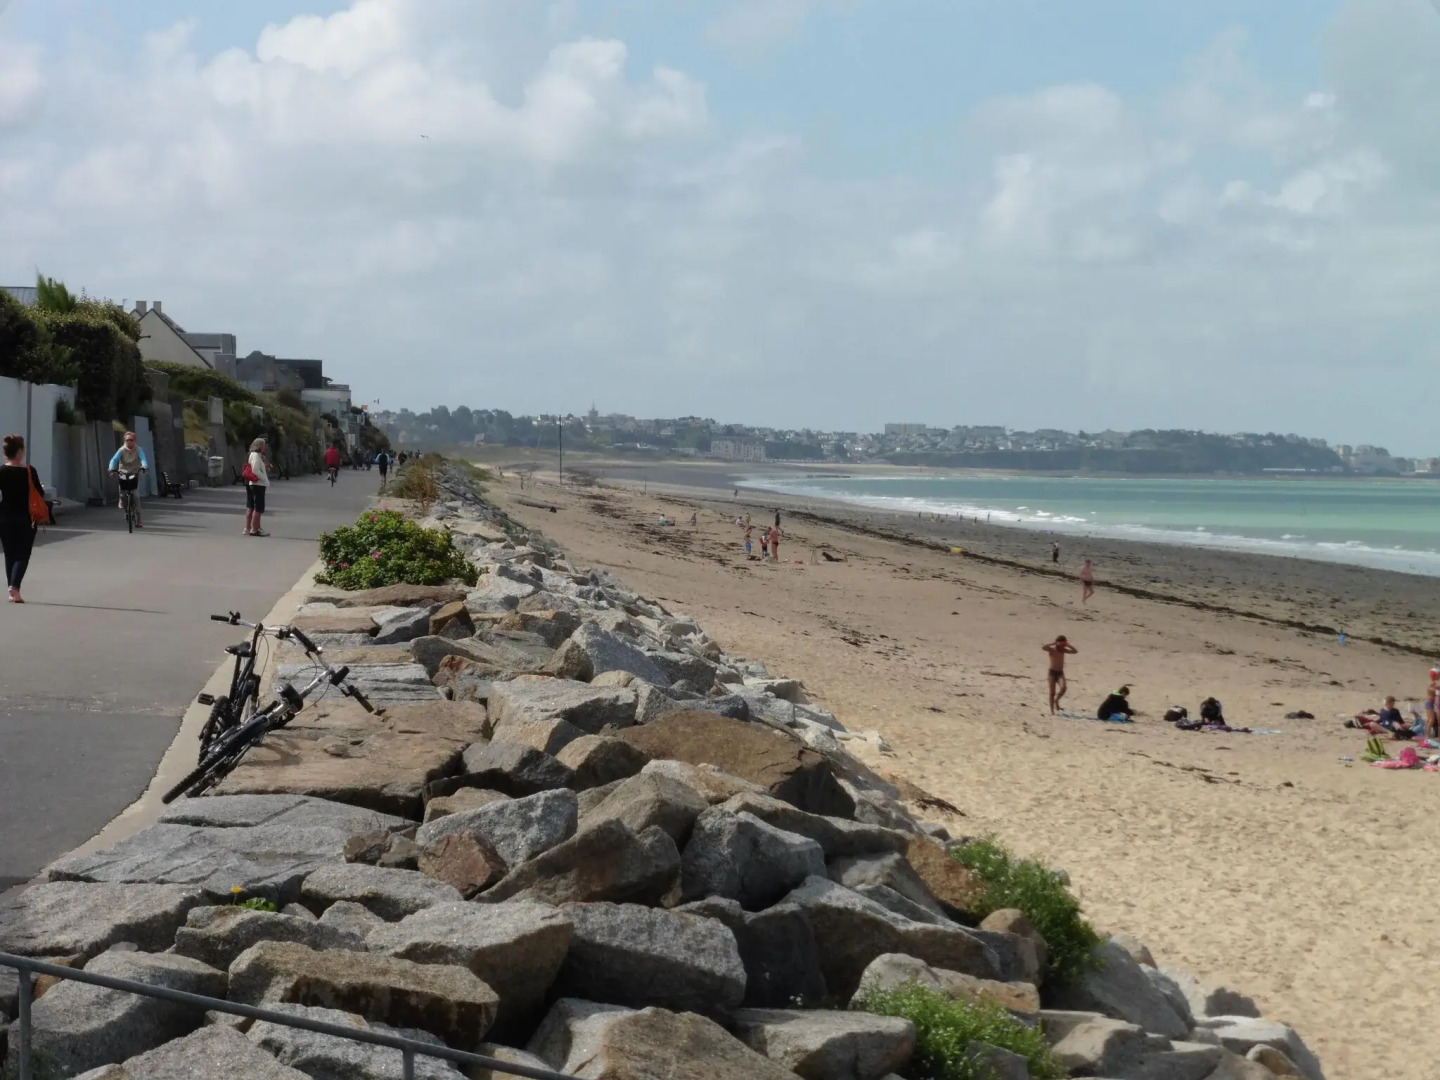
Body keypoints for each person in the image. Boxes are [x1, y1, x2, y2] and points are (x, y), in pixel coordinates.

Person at [0, 434, 43, 603]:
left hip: (4, 517)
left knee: (9, 554)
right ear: (19, 452)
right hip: (26, 517)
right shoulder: (29, 471)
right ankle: (14, 587)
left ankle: (13, 591)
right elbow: (39, 492)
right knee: (23, 554)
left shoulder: (1, 470)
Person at [107, 431, 149, 528]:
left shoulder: (138, 449)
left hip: (134, 472)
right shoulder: (121, 450)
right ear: (124, 441)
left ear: (135, 441)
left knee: (136, 495)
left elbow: (143, 458)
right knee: (122, 489)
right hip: (123, 472)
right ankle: (122, 500)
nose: (129, 442)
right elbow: (114, 459)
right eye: (127, 440)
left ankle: (139, 519)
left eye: (131, 440)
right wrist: (111, 468)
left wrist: (144, 466)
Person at [1042, 635, 1077, 714]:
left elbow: (1075, 651)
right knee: (1052, 692)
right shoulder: (1052, 650)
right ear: (1058, 644)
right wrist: (1053, 643)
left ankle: (1056, 700)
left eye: (1063, 645)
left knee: (1063, 688)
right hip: (1052, 672)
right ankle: (1052, 711)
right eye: (1061, 644)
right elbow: (1044, 648)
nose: (1062, 646)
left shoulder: (1063, 650)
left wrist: (1068, 645)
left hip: (1060, 673)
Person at [244, 438, 271, 536]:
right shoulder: (255, 455)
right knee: (258, 507)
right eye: (263, 445)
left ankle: (252, 528)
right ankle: (254, 529)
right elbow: (255, 470)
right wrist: (264, 478)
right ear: (259, 446)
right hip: (258, 484)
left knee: (253, 506)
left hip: (256, 484)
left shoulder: (255, 455)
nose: (265, 447)